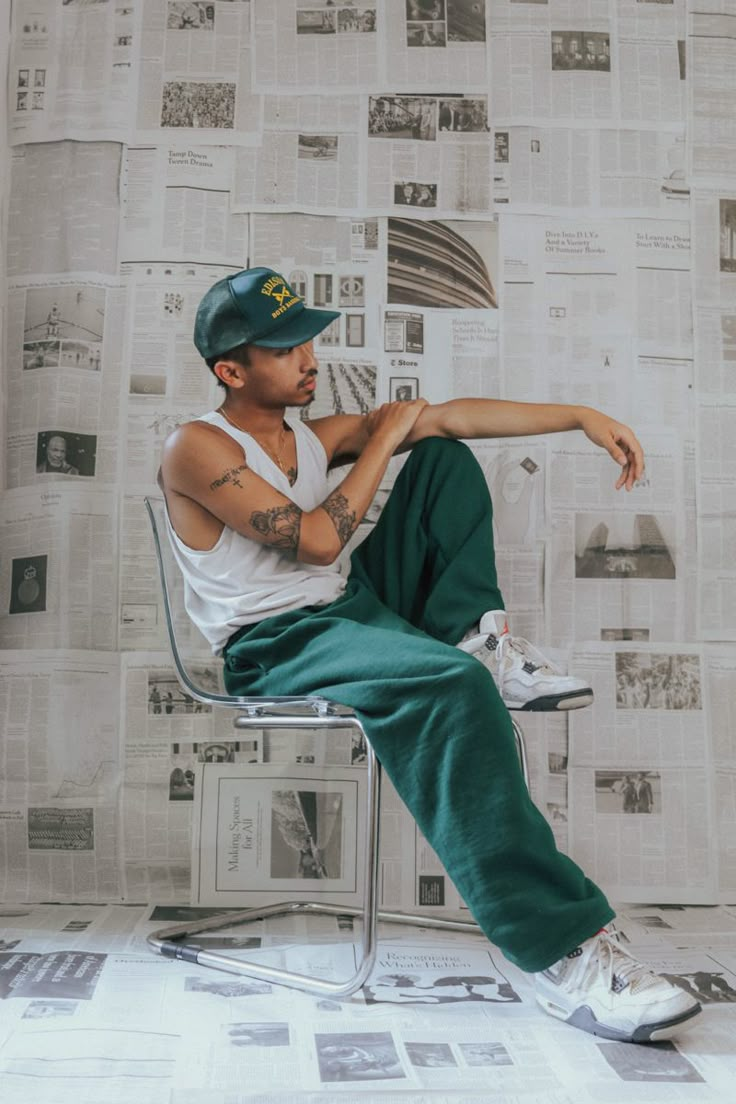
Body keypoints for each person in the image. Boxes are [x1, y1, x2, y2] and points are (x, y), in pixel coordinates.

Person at [158, 266, 701, 1044]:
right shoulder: (196, 446)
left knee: (442, 458)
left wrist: (579, 415)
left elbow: (448, 418)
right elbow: (315, 543)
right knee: (453, 687)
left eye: (308, 337)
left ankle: (477, 637)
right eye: (285, 347)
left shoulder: (308, 435)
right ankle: (558, 953)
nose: (310, 355)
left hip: (348, 613)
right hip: (274, 647)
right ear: (232, 369)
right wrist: (381, 436)